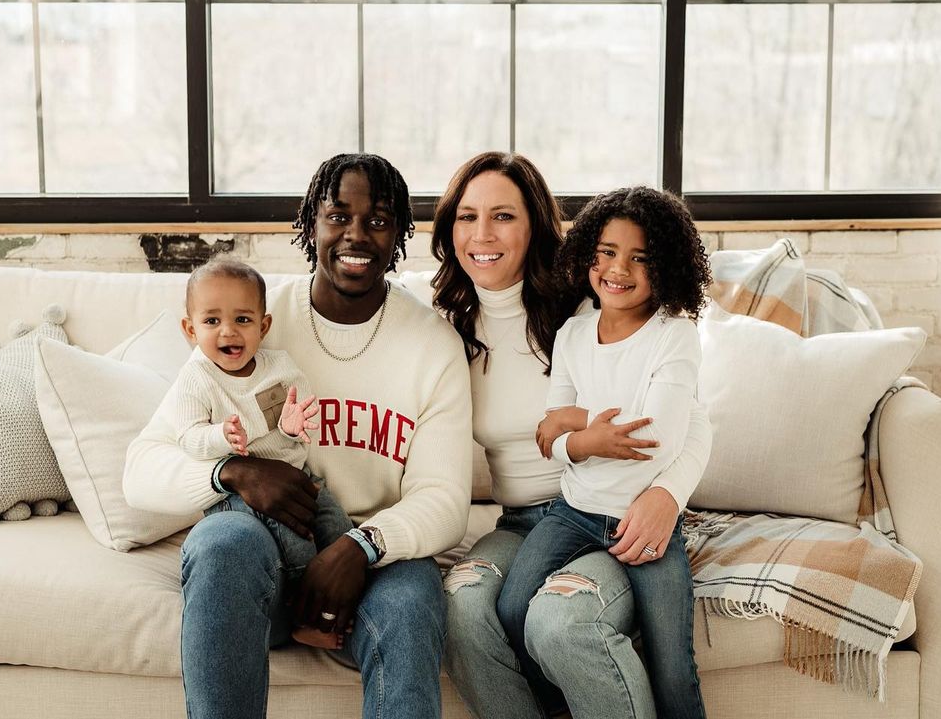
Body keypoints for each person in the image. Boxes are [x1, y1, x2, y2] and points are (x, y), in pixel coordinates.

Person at [124, 153, 473, 719]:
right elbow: (141, 468)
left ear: (399, 235)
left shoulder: (432, 345)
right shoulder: (252, 319)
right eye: (338, 216)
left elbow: (446, 500)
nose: (355, 235)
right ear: (312, 223)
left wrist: (361, 547)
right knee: (221, 542)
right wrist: (231, 471)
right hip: (263, 552)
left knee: (412, 601)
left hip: (376, 559)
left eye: (379, 220)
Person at [423, 151, 711, 719]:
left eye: (503, 216)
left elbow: (690, 421)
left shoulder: (588, 306)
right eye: (466, 215)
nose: (482, 233)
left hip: (614, 509)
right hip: (524, 523)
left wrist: (666, 496)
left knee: (560, 621)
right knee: (460, 606)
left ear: (534, 226)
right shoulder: (447, 326)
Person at [496, 186, 711, 719]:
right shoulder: (572, 335)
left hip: (644, 526)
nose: (620, 269)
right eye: (608, 252)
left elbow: (655, 436)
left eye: (641, 258)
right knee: (511, 607)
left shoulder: (674, 336)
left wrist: (577, 424)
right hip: (572, 513)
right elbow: (550, 439)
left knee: (671, 662)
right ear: (588, 253)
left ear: (669, 267)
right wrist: (582, 436)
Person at [144, 256, 351, 649]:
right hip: (239, 496)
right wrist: (222, 438)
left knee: (337, 528)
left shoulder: (279, 367)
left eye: (242, 320)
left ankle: (347, 599)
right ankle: (305, 616)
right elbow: (187, 438)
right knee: (298, 539)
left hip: (299, 479)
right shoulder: (196, 379)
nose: (229, 333)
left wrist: (293, 427)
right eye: (211, 321)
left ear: (263, 325)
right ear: (190, 329)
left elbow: (300, 417)